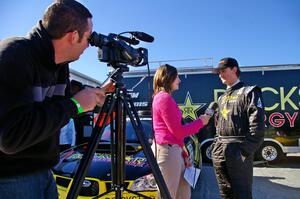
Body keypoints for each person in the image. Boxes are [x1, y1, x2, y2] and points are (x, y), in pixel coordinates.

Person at [0, 1, 106, 198]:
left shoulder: (59, 64)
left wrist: (93, 96)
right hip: (11, 178)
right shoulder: (12, 56)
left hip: (44, 171)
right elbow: (10, 138)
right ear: (73, 36)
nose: (89, 45)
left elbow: (61, 106)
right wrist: (75, 104)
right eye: (88, 39)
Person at [151, 64, 210, 199]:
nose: (179, 80)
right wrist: (201, 122)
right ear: (168, 78)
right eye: (177, 76)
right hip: (167, 152)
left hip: (173, 150)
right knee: (168, 194)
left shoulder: (164, 98)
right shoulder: (164, 98)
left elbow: (174, 133)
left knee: (183, 190)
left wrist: (184, 155)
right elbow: (178, 131)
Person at [211, 57, 265, 199]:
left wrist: (243, 152)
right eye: (219, 72)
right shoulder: (221, 98)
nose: (220, 75)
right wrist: (216, 146)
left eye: (223, 70)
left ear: (234, 69)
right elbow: (219, 126)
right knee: (225, 193)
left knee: (241, 194)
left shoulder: (250, 92)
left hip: (238, 150)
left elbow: (258, 128)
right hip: (220, 151)